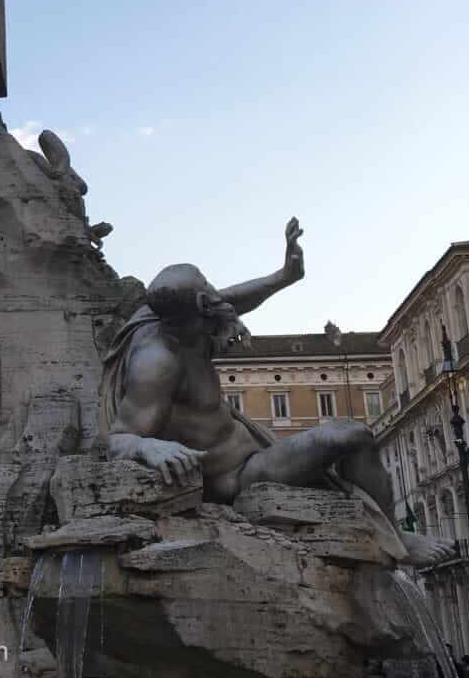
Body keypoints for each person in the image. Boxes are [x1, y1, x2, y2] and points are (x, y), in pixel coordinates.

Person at [101, 218, 450, 567]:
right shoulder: (157, 362)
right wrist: (149, 445)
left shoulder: (180, 314)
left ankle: (388, 529)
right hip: (239, 476)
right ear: (196, 306)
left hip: (256, 447)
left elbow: (231, 299)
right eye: (208, 293)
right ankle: (397, 539)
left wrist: (284, 275)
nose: (219, 299)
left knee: (348, 434)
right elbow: (118, 439)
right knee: (352, 434)